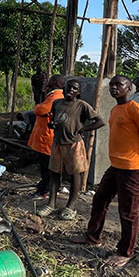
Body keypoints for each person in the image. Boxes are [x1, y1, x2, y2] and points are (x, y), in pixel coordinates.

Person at [71, 75, 139, 267]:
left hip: (134, 169)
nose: (114, 87)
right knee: (100, 199)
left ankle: (126, 252)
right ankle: (93, 236)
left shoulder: (137, 109)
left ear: (130, 89)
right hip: (117, 167)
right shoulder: (116, 110)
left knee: (128, 212)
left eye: (119, 84)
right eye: (112, 84)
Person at [37, 79, 105, 221]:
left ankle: (71, 206)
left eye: (74, 89)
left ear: (78, 92)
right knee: (55, 173)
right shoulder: (57, 103)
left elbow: (100, 121)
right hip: (58, 143)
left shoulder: (82, 106)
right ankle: (51, 203)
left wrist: (83, 129)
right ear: (63, 89)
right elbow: (55, 119)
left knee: (75, 174)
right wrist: (52, 125)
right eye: (68, 88)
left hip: (74, 145)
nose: (71, 90)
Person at [27, 74, 66, 201]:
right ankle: (49, 187)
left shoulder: (55, 96)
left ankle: (44, 190)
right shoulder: (56, 95)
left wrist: (37, 107)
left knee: (47, 166)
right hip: (47, 137)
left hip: (47, 137)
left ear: (54, 82)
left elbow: (41, 110)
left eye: (50, 80)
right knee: (49, 166)